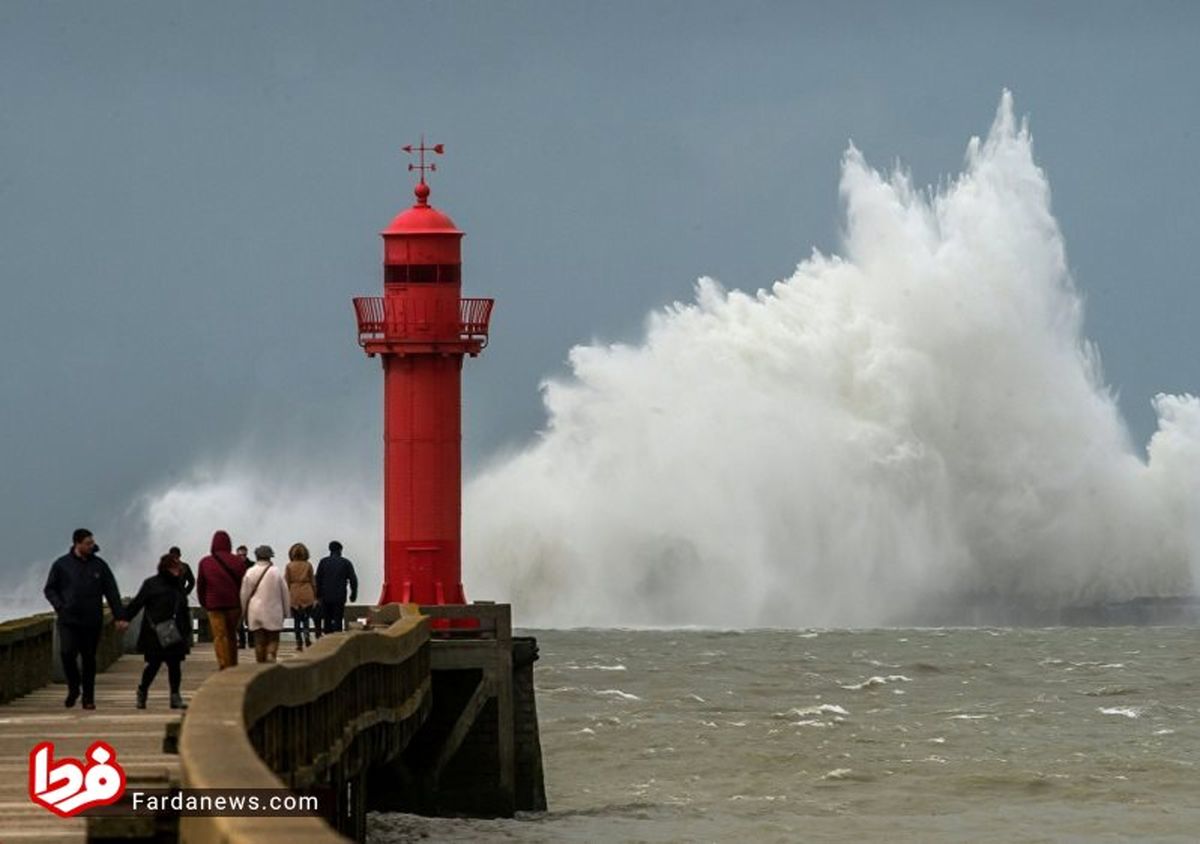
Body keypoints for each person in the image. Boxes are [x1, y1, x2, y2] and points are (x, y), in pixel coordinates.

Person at [43, 529, 129, 709]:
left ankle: (88, 698)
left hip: (92, 619)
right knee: (67, 653)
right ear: (77, 543)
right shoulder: (61, 565)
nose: (92, 546)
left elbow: (111, 591)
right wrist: (60, 606)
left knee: (89, 658)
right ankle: (74, 688)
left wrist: (119, 616)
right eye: (88, 543)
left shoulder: (99, 565)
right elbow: (50, 589)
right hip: (68, 619)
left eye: (92, 543)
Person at [125, 554, 191, 709]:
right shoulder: (151, 584)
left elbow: (183, 608)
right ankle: (142, 691)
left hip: (175, 632)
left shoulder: (178, 586)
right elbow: (137, 603)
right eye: (174, 567)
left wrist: (186, 630)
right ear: (166, 568)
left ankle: (175, 696)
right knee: (153, 665)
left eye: (178, 567)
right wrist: (124, 618)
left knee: (175, 665)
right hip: (154, 633)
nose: (178, 570)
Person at [195, 530, 245, 669]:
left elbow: (201, 585)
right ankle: (233, 663)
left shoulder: (205, 562)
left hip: (214, 604)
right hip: (234, 604)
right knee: (231, 635)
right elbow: (243, 584)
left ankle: (223, 664)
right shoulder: (238, 562)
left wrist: (203, 602)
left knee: (219, 636)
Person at [241, 545, 290, 663]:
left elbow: (244, 594)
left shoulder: (250, 572)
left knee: (259, 640)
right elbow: (285, 593)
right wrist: (286, 612)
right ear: (270, 557)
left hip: (255, 611)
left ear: (256, 556)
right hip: (273, 610)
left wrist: (243, 612)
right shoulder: (276, 572)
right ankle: (271, 655)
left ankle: (260, 664)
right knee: (273, 638)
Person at [315, 540, 357, 634]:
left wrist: (318, 595)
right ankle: (337, 640)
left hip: (325, 596)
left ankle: (327, 640)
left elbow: (318, 579)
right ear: (340, 550)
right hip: (339, 596)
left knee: (327, 620)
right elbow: (353, 579)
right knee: (338, 619)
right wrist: (353, 594)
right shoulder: (346, 563)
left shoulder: (323, 562)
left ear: (330, 549)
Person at [284, 543, 317, 650]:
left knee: (297, 621)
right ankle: (307, 637)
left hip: (294, 593)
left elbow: (286, 582)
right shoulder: (308, 565)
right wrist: (315, 595)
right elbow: (313, 581)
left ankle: (299, 642)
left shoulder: (289, 566)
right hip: (307, 592)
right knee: (306, 619)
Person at [235, 544, 252, 649]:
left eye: (243, 555)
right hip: (237, 594)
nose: (242, 557)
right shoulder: (233, 566)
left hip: (249, 595)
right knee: (238, 621)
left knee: (250, 620)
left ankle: (252, 641)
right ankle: (242, 641)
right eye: (239, 555)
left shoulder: (252, 566)